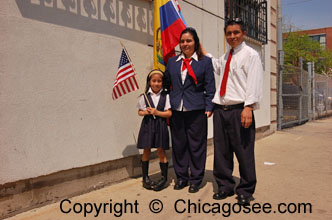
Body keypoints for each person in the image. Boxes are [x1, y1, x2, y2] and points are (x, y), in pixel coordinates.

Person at [202, 18, 263, 205]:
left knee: (244, 151)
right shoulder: (228, 55)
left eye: (236, 32)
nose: (232, 36)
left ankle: (245, 190)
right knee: (222, 152)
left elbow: (254, 82)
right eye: (229, 33)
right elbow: (216, 65)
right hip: (221, 111)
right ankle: (225, 187)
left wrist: (248, 107)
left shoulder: (251, 55)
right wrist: (200, 49)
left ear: (243, 34)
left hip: (239, 110)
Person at [165, 27, 215, 193]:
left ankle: (195, 179)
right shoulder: (172, 62)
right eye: (182, 41)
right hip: (176, 110)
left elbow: (210, 87)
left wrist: (209, 107)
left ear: (196, 43)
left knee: (196, 146)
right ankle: (181, 178)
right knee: (179, 145)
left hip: (197, 110)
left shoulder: (205, 62)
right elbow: (166, 85)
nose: (185, 44)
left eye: (189, 41)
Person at [136, 69, 172, 191]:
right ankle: (145, 178)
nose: (156, 84)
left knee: (161, 151)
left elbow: (169, 113)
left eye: (159, 81)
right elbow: (139, 112)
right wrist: (145, 112)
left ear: (162, 83)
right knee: (146, 150)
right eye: (154, 81)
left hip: (160, 125)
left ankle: (163, 178)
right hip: (147, 125)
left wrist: (157, 112)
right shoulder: (144, 96)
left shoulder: (166, 96)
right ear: (150, 82)